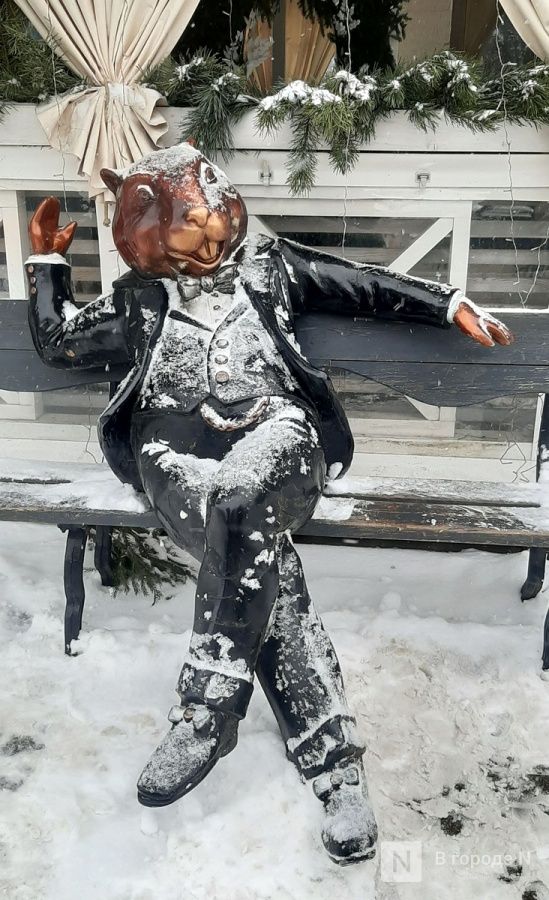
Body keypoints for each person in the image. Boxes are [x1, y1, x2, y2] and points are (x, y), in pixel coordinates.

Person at [25, 142, 512, 865]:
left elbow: (360, 284)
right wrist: (46, 263)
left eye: (213, 231)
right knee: (258, 559)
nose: (207, 250)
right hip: (170, 447)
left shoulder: (272, 264)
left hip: (276, 432)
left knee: (240, 501)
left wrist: (447, 304)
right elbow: (60, 343)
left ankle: (206, 713)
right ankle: (336, 770)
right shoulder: (136, 300)